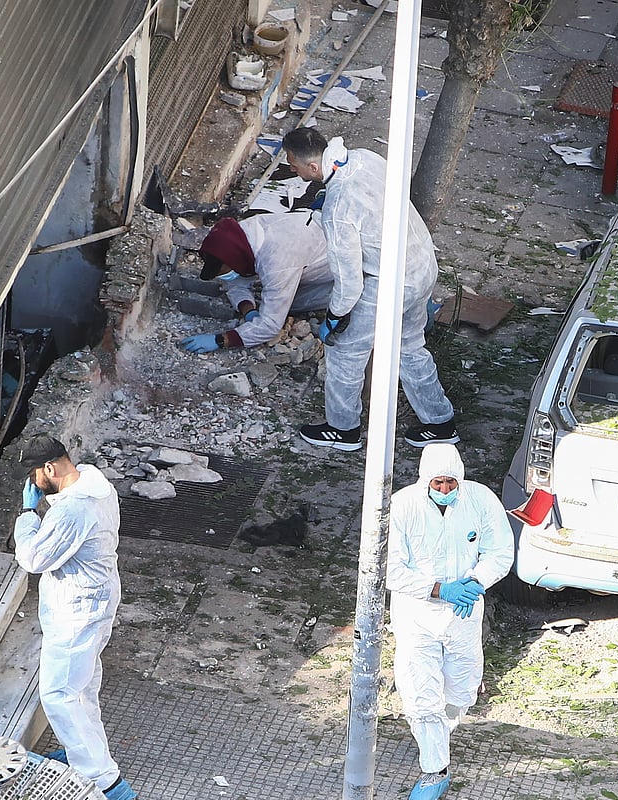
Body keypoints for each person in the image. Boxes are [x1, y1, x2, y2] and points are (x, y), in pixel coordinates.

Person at [280, 126, 458, 451]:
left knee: (344, 353)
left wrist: (333, 318)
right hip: (421, 264)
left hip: (389, 283)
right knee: (408, 347)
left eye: (293, 164)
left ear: (312, 167)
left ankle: (342, 429)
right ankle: (440, 423)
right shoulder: (365, 157)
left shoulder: (338, 210)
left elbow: (350, 284)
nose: (292, 169)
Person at [12, 435, 137, 800]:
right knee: (82, 688)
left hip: (77, 611)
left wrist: (26, 514)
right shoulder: (96, 482)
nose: (33, 481)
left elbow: (34, 559)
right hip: (98, 599)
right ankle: (82, 755)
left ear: (50, 468)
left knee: (59, 694)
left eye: (35, 473)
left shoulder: (72, 510)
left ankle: (105, 782)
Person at [386, 444, 514, 800]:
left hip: (463, 613)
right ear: (425, 478)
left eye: (450, 482)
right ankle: (434, 770)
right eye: (438, 482)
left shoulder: (480, 500)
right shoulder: (402, 506)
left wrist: (475, 583)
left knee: (461, 690)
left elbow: (500, 550)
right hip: (418, 614)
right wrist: (439, 589)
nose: (444, 489)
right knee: (419, 694)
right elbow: (391, 569)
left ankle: (437, 734)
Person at [179, 212, 332, 352]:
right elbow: (236, 283)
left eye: (223, 273)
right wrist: (248, 311)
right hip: (310, 249)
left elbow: (270, 326)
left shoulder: (276, 262)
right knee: (275, 297)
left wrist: (221, 340)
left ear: (234, 261)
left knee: (294, 304)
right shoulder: (242, 236)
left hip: (344, 269)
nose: (225, 277)